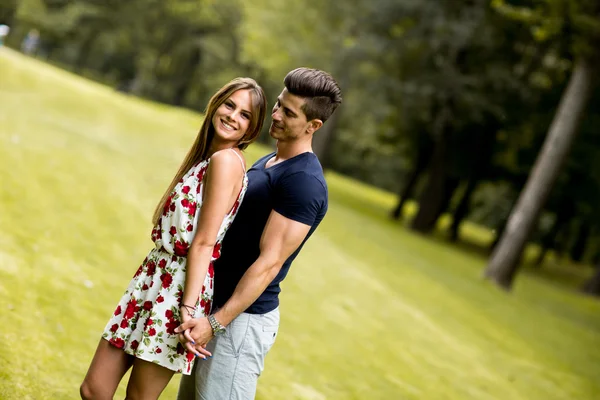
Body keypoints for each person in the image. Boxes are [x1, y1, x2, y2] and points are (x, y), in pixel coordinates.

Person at [80, 77, 267, 400]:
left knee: (139, 397)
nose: (233, 116)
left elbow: (205, 242)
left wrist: (188, 307)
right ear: (215, 105)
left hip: (180, 287)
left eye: (245, 115)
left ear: (251, 130)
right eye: (229, 105)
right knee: (94, 389)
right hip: (154, 277)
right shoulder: (207, 158)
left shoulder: (226, 162)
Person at [176, 67, 342, 399]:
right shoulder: (271, 161)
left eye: (288, 113)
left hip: (239, 322)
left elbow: (269, 263)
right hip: (215, 310)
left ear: (313, 126)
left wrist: (216, 323)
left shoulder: (304, 182)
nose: (275, 115)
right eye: (279, 104)